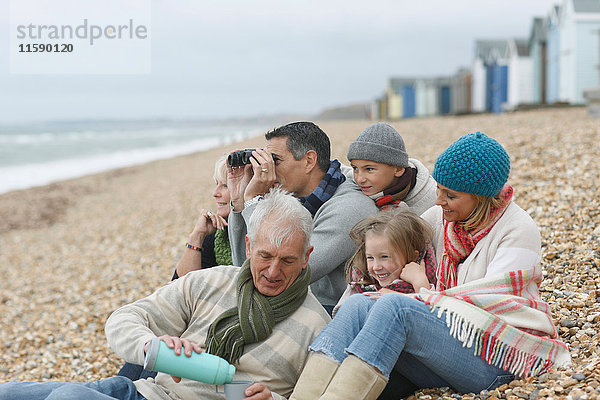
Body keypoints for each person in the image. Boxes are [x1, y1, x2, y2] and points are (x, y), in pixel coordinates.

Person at [288, 132, 571, 400]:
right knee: (358, 304)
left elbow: (494, 304)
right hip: (442, 350)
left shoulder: (518, 228)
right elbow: (397, 259)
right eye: (438, 189)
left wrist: (423, 292)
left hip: (498, 358)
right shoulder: (438, 218)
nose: (438, 201)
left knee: (395, 307)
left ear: (481, 196)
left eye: (450, 195)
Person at [0, 188, 331, 400]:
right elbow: (124, 319)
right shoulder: (211, 282)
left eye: (288, 261)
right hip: (142, 391)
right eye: (265, 256)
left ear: (306, 256)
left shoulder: (318, 326)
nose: (273, 272)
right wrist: (152, 346)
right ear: (248, 246)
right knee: (10, 392)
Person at [227, 121, 378, 314]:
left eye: (275, 160)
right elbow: (246, 267)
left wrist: (253, 202)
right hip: (303, 304)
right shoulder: (295, 203)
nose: (268, 169)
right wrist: (240, 201)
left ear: (309, 161)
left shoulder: (351, 208)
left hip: (335, 313)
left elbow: (289, 273)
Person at [117, 154, 234, 381]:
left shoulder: (256, 236)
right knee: (161, 334)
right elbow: (180, 287)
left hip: (217, 328)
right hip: (195, 319)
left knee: (169, 340)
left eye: (225, 186)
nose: (215, 193)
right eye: (215, 184)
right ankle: (121, 387)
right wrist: (197, 236)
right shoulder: (218, 237)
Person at [332, 209, 437, 314]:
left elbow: (432, 315)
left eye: (385, 257)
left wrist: (420, 283)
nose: (376, 267)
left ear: (413, 256)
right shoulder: (361, 282)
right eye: (370, 258)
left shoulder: (428, 280)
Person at [347, 122, 436, 214]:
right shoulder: (350, 182)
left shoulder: (433, 200)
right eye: (355, 168)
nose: (359, 179)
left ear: (398, 169)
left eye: (369, 169)